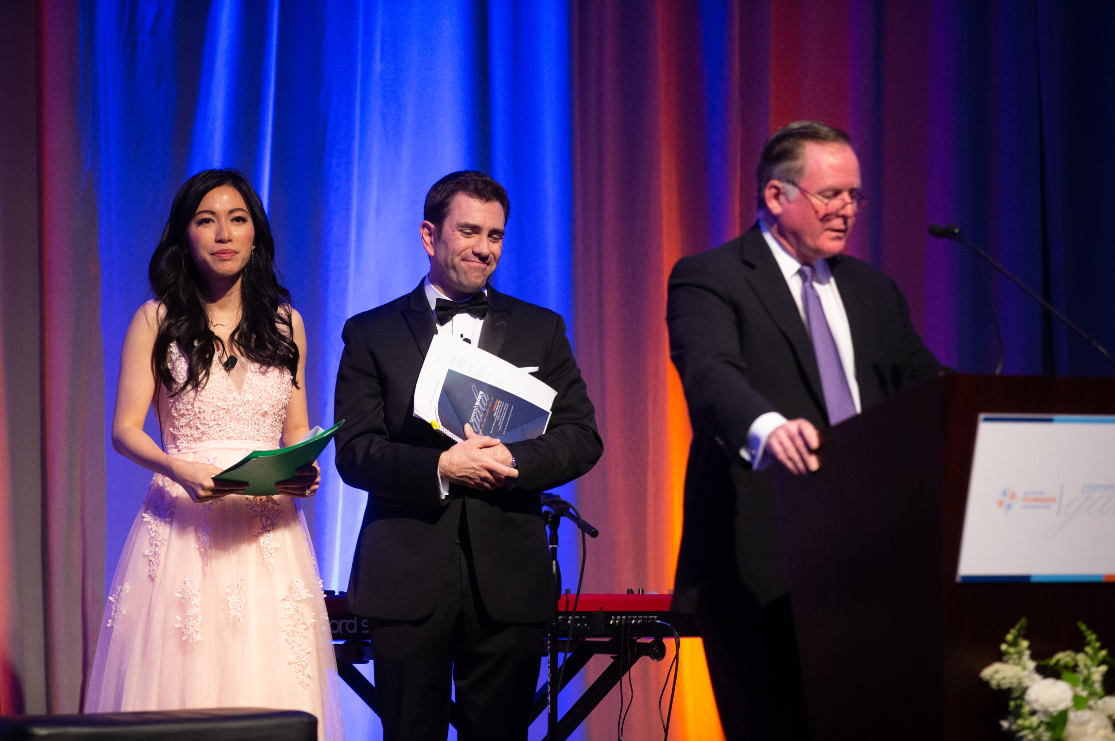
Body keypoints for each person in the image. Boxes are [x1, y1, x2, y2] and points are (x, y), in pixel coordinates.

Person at [666, 121, 944, 740]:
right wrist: (767, 427)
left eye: (855, 196)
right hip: (761, 559)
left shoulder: (872, 290)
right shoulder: (710, 276)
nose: (847, 210)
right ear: (775, 196)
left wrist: (996, 414)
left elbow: (929, 386)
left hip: (875, 564)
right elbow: (709, 374)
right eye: (831, 195)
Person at [334, 170, 602, 741]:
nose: (485, 248)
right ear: (430, 236)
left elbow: (582, 436)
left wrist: (514, 459)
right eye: (470, 231)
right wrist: (440, 467)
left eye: (497, 236)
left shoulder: (541, 329)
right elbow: (354, 453)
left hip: (509, 580)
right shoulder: (370, 332)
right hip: (405, 577)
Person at [85, 169, 343, 740]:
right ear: (186, 236)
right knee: (182, 684)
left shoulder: (286, 323)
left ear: (255, 237)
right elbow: (125, 429)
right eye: (207, 221)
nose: (224, 233)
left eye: (238, 219)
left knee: (268, 680)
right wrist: (176, 466)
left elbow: (296, 431)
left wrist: (302, 471)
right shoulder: (155, 319)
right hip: (181, 523)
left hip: (267, 535)